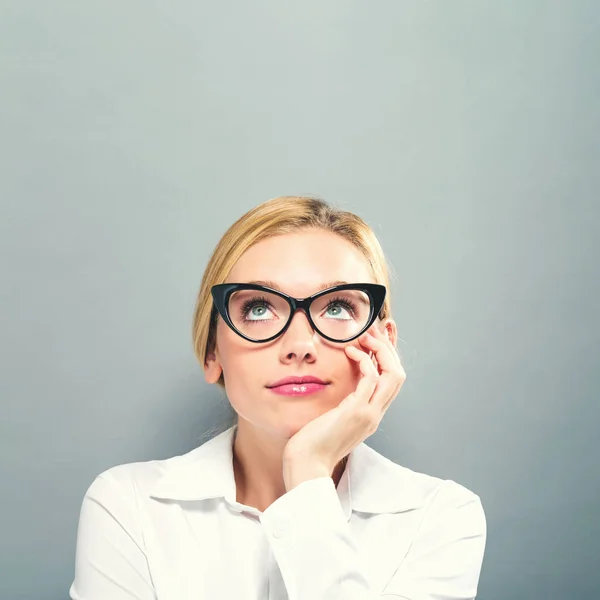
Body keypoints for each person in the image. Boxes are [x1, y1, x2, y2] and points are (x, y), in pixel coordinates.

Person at [69, 196, 487, 600]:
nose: (300, 344)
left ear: (382, 346)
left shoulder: (443, 517)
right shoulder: (128, 506)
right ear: (212, 352)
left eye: (338, 307)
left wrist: (308, 472)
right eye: (257, 308)